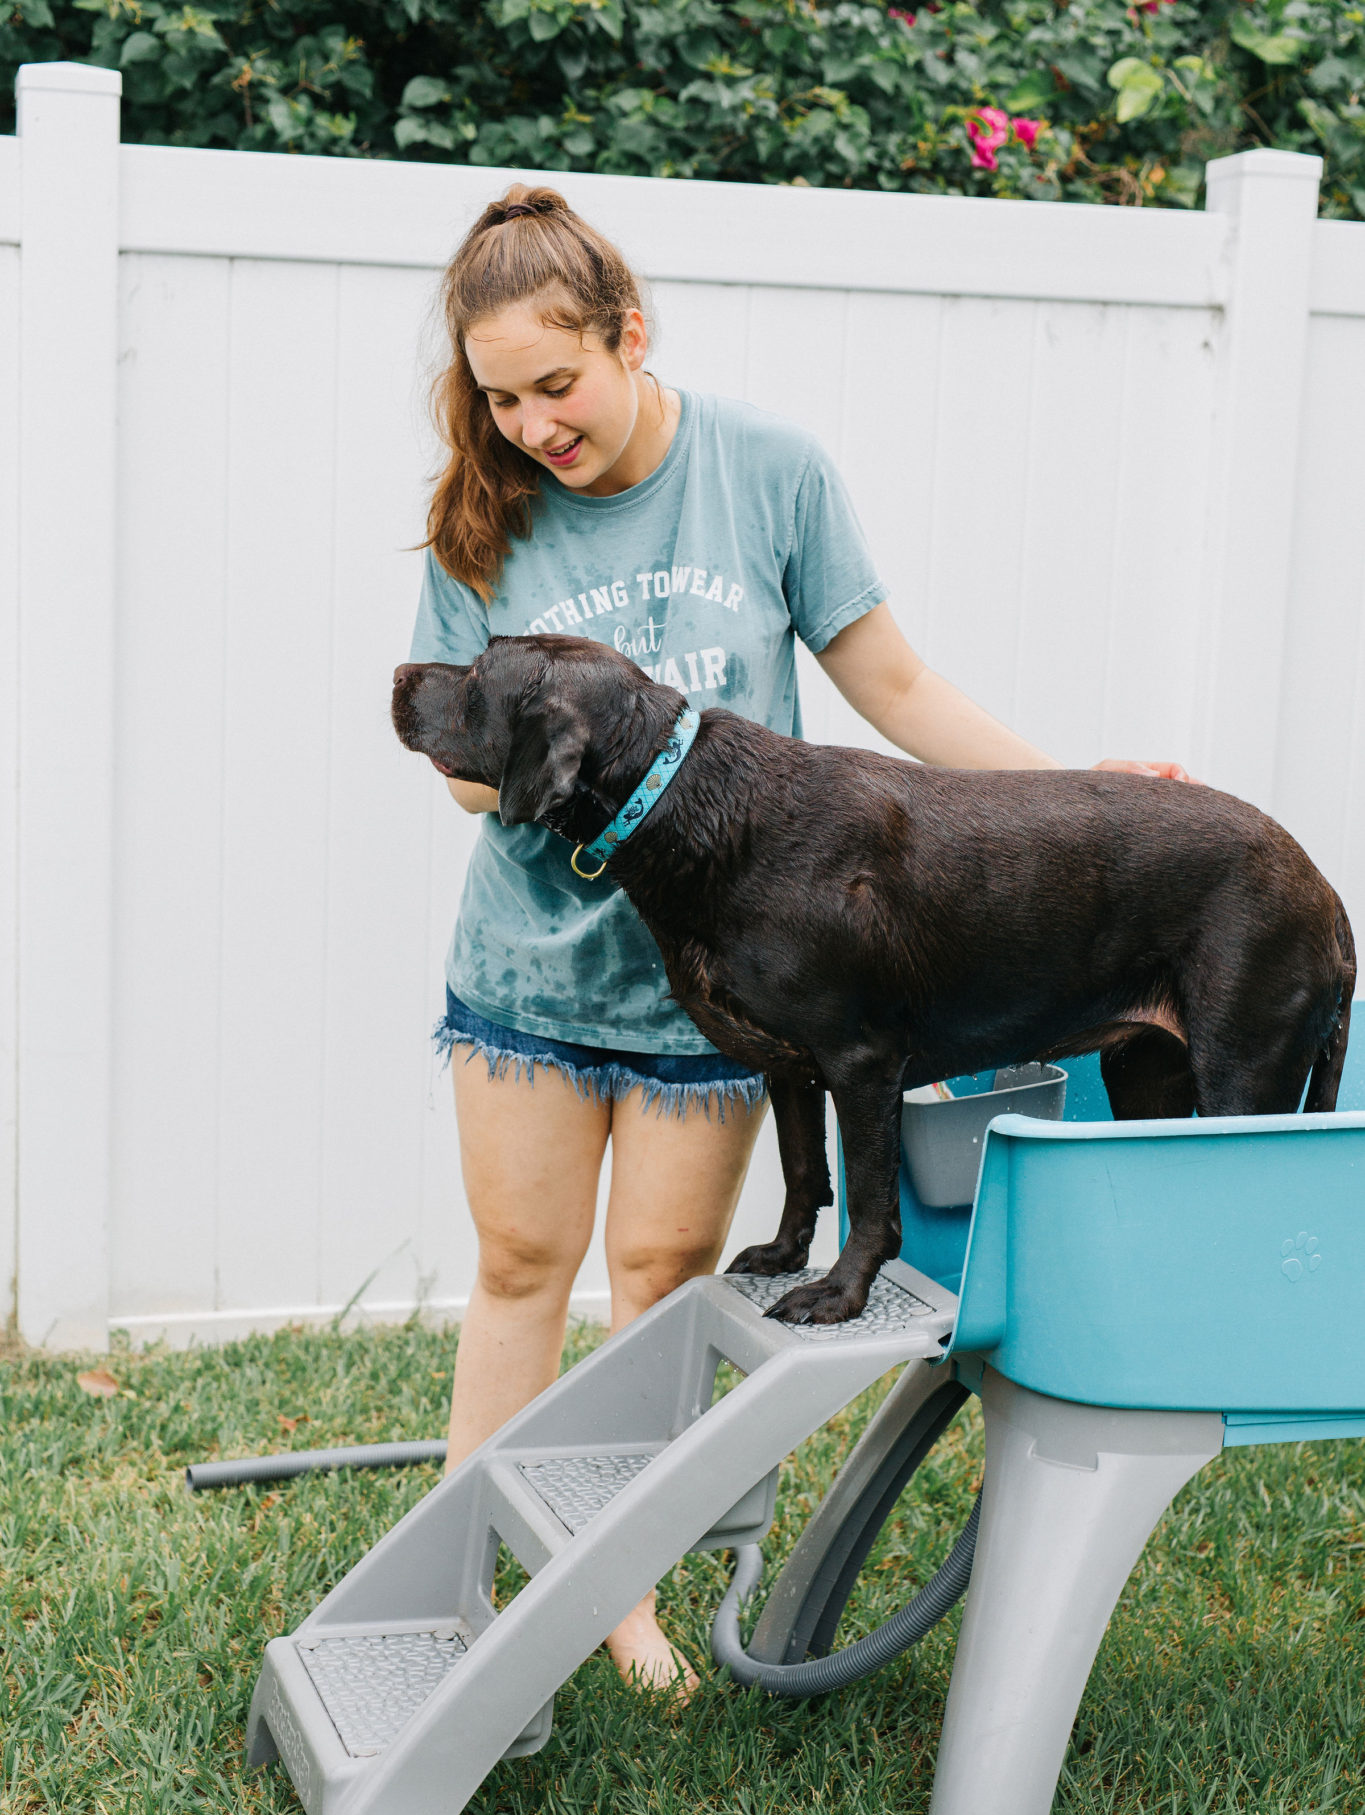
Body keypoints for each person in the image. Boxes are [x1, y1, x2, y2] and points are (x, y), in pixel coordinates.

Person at [409, 183, 1189, 1694]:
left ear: (630, 334)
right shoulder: (480, 506)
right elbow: (458, 766)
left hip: (729, 988)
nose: (529, 426)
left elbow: (891, 684)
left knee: (657, 1277)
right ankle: (452, 1585)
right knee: (517, 1266)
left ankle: (615, 1597)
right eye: (498, 396)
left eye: (554, 385)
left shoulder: (767, 471)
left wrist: (1081, 797)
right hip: (527, 969)